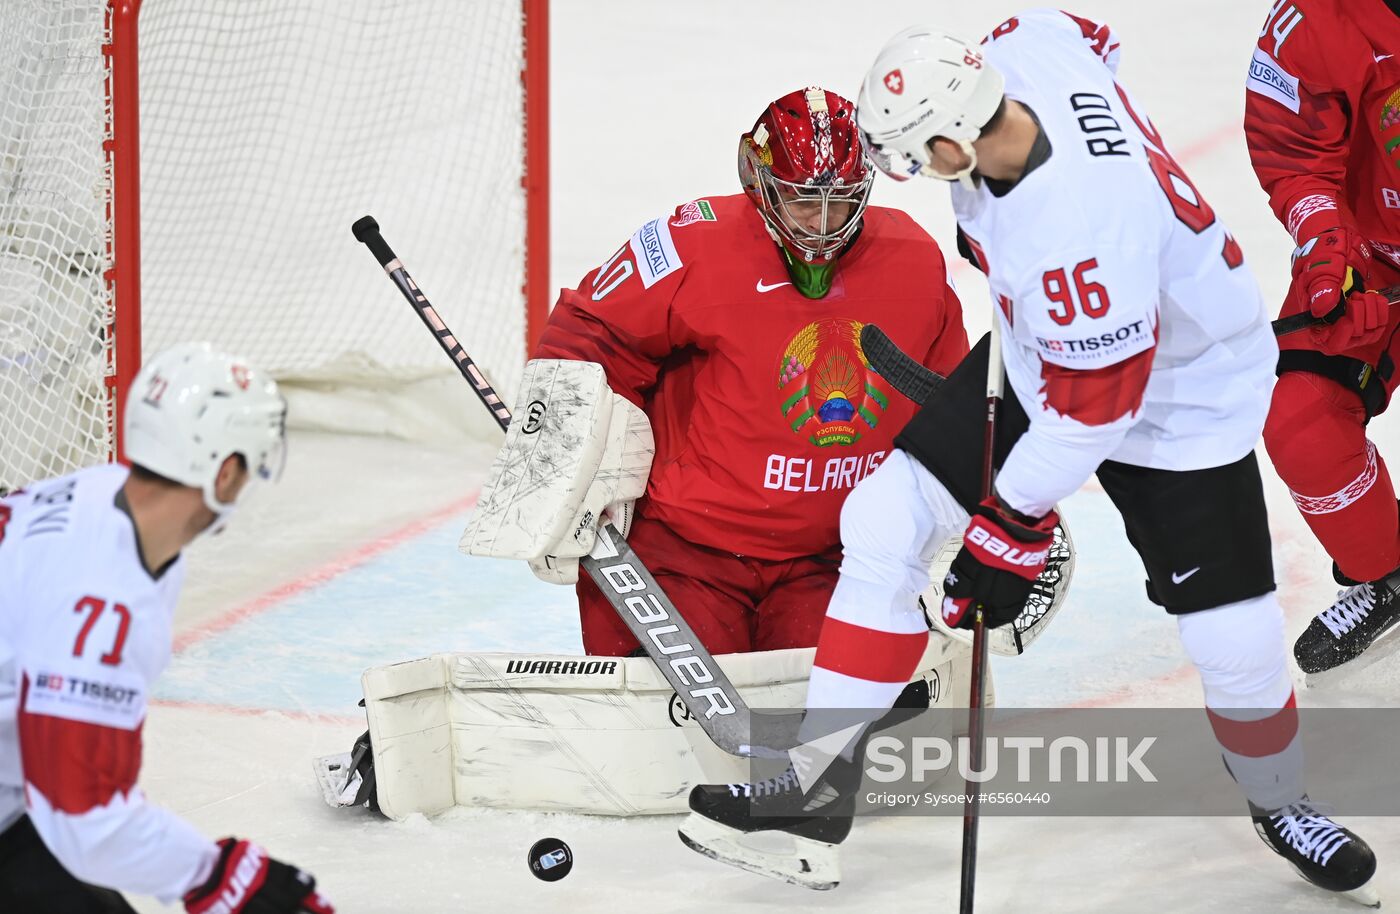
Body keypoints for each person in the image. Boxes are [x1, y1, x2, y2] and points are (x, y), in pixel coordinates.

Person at [678, 11, 1378, 905]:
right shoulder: (1025, 52)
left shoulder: (1078, 240)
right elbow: (1087, 31)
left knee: (1231, 637)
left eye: (920, 160)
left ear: (951, 141)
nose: (923, 175)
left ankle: (1282, 803)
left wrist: (1008, 529)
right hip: (1058, 348)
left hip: (1182, 396)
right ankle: (816, 781)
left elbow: (1093, 415)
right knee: (885, 517)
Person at [531, 85, 969, 656]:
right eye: (802, 199)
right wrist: (559, 445)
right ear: (759, 184)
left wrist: (988, 509)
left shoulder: (915, 260)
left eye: (842, 199)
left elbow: (951, 401)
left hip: (839, 556)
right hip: (684, 553)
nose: (823, 222)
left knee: (834, 701)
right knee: (669, 708)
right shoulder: (691, 243)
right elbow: (589, 329)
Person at [0, 343, 332, 914]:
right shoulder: (101, 598)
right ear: (224, 472)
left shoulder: (101, 494)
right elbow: (85, 817)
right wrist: (220, 878)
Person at [1245, 0, 1400, 678]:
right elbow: (1296, 161)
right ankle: (1388, 573)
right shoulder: (1313, 19)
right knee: (1304, 426)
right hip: (1376, 261)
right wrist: (1327, 253)